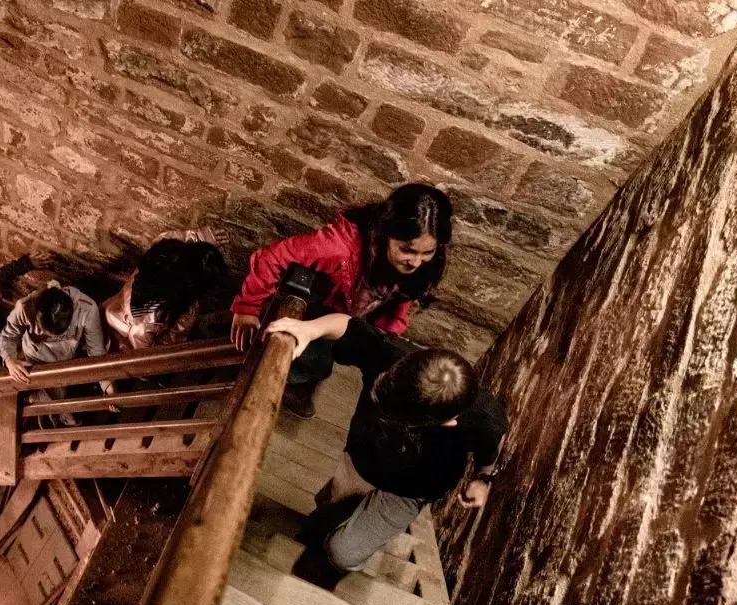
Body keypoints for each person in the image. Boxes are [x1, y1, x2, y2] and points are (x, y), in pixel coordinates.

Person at [264, 312, 506, 580]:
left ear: (448, 422)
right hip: (363, 458)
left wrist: (483, 479)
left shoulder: (484, 419)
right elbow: (348, 325)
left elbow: (489, 451)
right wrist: (309, 328)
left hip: (411, 490)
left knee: (343, 553)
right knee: (328, 511)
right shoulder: (391, 354)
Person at [230, 183, 453, 418]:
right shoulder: (337, 246)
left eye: (426, 253)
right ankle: (294, 379)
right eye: (407, 250)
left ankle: (304, 377)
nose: (416, 262)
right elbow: (271, 257)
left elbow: (402, 296)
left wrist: (386, 336)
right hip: (321, 306)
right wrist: (247, 308)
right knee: (317, 358)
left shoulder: (420, 263)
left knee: (330, 355)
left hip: (354, 313)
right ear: (387, 232)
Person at [0, 284, 114, 424]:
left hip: (65, 360)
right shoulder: (24, 307)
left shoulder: (87, 309)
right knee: (62, 409)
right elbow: (8, 336)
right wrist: (9, 359)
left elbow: (96, 352)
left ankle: (39, 401)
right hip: (36, 359)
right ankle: (39, 402)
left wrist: (108, 386)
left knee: (69, 410)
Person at [103, 233, 229, 352]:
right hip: (121, 340)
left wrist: (199, 235)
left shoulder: (160, 261)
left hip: (118, 313)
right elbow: (149, 354)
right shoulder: (146, 322)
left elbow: (166, 236)